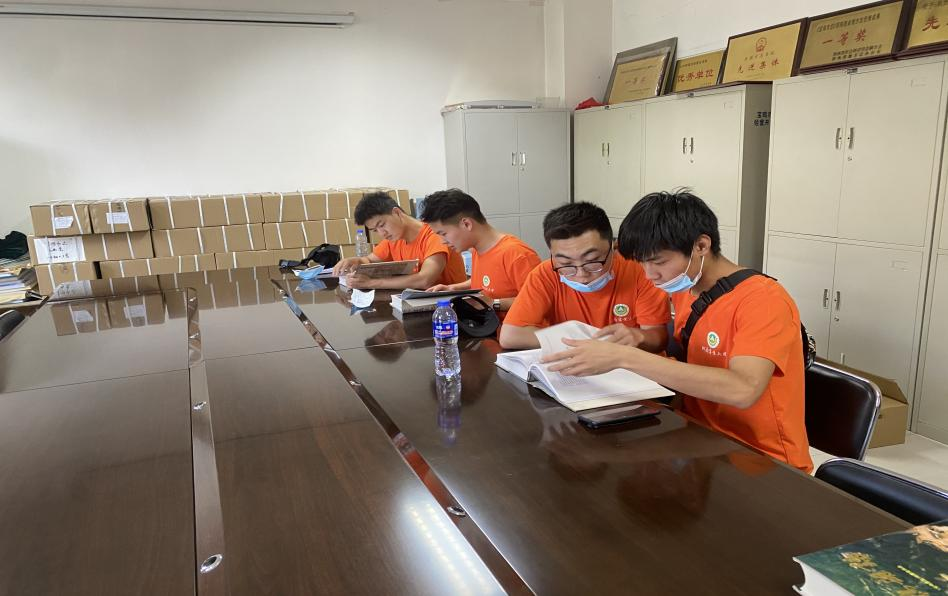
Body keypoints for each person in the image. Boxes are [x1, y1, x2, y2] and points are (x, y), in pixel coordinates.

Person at [541, 191, 812, 472]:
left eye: (658, 262)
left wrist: (623, 357)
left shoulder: (763, 300)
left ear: (701, 245)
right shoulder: (686, 290)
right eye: (642, 263)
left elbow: (743, 389)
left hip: (760, 458)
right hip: (699, 439)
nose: (650, 275)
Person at [499, 201, 670, 350]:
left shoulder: (641, 270)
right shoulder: (545, 273)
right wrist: (588, 343)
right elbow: (510, 336)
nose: (581, 275)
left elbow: (657, 338)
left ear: (613, 247)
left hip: (632, 367)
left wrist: (637, 337)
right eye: (566, 264)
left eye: (592, 260)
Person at [420, 188, 541, 318]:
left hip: (511, 329)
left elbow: (539, 301)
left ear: (466, 224)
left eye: (443, 234)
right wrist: (453, 289)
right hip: (486, 325)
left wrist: (493, 303)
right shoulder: (477, 249)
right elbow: (488, 281)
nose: (442, 241)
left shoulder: (517, 255)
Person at [332, 191, 467, 290]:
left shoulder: (434, 234)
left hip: (452, 307)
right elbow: (369, 260)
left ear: (396, 213)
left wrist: (371, 283)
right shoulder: (394, 238)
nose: (382, 233)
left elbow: (425, 280)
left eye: (382, 225)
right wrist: (356, 261)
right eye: (375, 230)